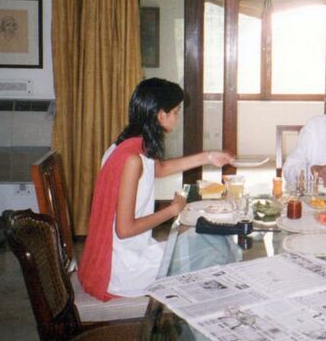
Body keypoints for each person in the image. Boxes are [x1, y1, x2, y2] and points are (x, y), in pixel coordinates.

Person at [79, 78, 234, 300]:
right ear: (161, 116)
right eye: (176, 111)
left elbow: (158, 168)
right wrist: (172, 210)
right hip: (123, 270)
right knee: (215, 254)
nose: (177, 117)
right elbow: (124, 229)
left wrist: (208, 157)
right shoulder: (132, 160)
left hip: (127, 254)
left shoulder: (122, 147)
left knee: (210, 243)